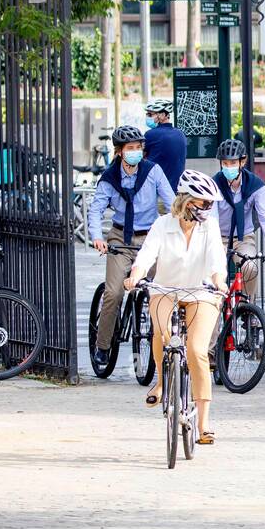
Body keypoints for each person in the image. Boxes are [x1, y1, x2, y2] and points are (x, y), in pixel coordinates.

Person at [126, 170, 227, 445]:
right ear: (185, 201)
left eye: (210, 204)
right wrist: (135, 275)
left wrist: (219, 281)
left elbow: (216, 259)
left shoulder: (210, 227)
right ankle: (161, 382)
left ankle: (204, 423)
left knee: (196, 350)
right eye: (203, 203)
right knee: (163, 334)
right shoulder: (162, 225)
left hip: (201, 292)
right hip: (165, 290)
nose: (208, 209)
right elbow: (147, 254)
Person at [87, 124, 175, 371]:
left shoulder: (153, 172)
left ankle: (167, 344)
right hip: (119, 240)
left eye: (138, 148)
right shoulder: (109, 178)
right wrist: (97, 237)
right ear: (119, 152)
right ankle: (103, 346)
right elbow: (95, 211)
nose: (135, 152)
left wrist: (177, 231)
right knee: (113, 293)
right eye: (130, 149)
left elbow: (171, 203)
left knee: (162, 290)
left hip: (150, 238)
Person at [211, 138, 265, 300]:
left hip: (243, 238)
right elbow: (212, 219)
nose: (228, 167)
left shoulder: (255, 185)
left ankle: (248, 306)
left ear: (242, 162)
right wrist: (214, 247)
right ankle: (214, 307)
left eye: (233, 163)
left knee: (250, 267)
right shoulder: (214, 183)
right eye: (225, 163)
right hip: (218, 237)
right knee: (213, 272)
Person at [143, 98, 187, 189]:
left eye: (150, 114)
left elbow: (140, 158)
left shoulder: (150, 134)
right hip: (177, 190)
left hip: (157, 191)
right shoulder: (181, 134)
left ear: (163, 115)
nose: (147, 117)